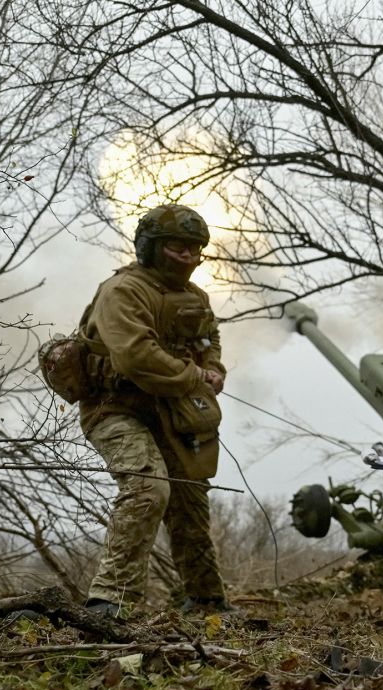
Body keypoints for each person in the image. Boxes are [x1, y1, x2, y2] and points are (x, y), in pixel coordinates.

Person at [78, 204, 232, 617]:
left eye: (194, 248)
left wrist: (214, 368)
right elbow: (136, 356)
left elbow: (209, 339)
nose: (187, 256)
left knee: (190, 497)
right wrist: (195, 376)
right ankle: (109, 603)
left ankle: (205, 601)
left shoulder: (194, 297)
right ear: (152, 247)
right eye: (177, 247)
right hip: (115, 409)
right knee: (148, 488)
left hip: (173, 412)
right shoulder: (123, 291)